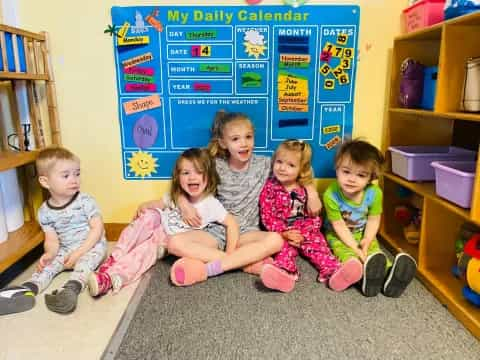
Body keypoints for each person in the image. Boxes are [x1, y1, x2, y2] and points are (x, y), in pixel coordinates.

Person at [169, 110, 322, 287]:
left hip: (248, 233)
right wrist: (183, 203)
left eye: (248, 137)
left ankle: (211, 268)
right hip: (217, 231)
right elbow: (185, 180)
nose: (243, 144)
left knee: (277, 240)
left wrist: (312, 194)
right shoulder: (214, 164)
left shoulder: (266, 164)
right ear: (223, 143)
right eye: (235, 139)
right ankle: (240, 261)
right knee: (173, 243)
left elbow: (302, 170)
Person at [88, 148, 239, 296]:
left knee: (144, 251)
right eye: (186, 173)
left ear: (209, 176)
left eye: (198, 172)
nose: (192, 177)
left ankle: (111, 278)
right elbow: (155, 204)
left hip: (166, 239)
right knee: (150, 216)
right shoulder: (175, 196)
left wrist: (230, 255)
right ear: (178, 177)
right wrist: (143, 207)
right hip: (158, 225)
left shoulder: (210, 204)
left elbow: (231, 223)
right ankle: (114, 258)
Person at [0, 147, 107, 315]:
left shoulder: (85, 200)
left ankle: (70, 290)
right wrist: (49, 254)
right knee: (47, 268)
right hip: (64, 249)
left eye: (77, 173)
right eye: (66, 175)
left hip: (90, 246)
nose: (74, 180)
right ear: (45, 182)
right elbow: (52, 240)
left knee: (84, 266)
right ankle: (28, 289)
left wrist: (79, 253)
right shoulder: (44, 211)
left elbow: (97, 229)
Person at [258, 139, 363, 292]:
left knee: (320, 248)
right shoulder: (270, 187)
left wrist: (308, 230)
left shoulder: (305, 188)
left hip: (305, 230)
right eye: (279, 162)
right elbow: (267, 215)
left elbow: (313, 215)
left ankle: (334, 272)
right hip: (283, 232)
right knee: (283, 252)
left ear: (301, 169)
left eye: (291, 165)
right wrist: (284, 233)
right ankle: (284, 274)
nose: (282, 168)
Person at [323, 139, 417, 297]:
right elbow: (338, 225)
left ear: (371, 178)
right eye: (346, 172)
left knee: (375, 254)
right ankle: (361, 275)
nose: (352, 179)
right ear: (337, 169)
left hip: (362, 233)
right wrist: (355, 248)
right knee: (349, 257)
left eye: (361, 175)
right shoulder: (330, 194)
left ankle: (389, 276)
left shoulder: (374, 193)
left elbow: (374, 220)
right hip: (338, 235)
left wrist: (367, 240)